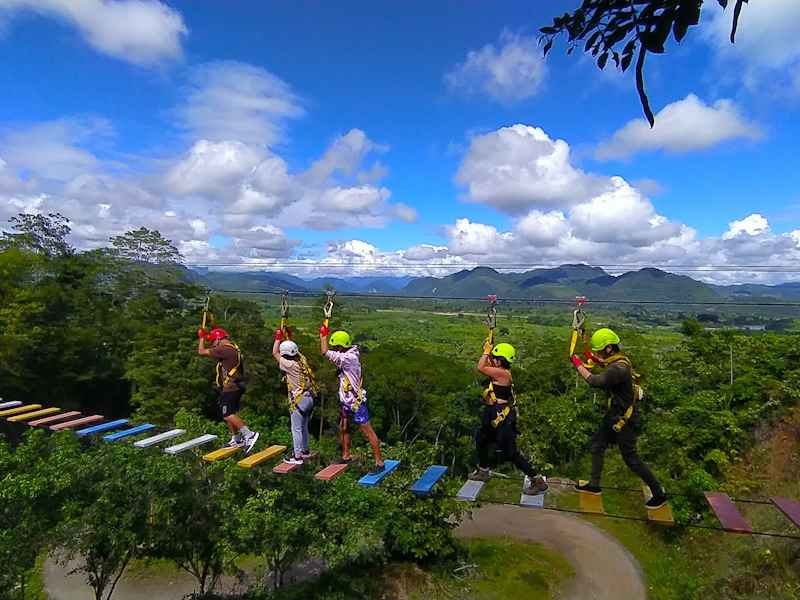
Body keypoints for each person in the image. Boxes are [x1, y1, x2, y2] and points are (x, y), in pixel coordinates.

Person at [571, 328, 667, 509]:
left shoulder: (619, 368)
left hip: (624, 420)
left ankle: (659, 494)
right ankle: (594, 484)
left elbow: (595, 381)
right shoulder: (619, 360)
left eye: (600, 350)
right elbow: (605, 364)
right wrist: (592, 356)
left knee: (631, 459)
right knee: (597, 445)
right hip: (614, 415)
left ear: (608, 349)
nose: (599, 354)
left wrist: (578, 364)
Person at [469, 340, 548, 496]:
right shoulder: (500, 371)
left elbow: (481, 367)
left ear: (501, 361)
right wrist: (489, 348)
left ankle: (537, 480)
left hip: (500, 415)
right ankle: (483, 470)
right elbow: (489, 364)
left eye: (496, 358)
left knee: (510, 452)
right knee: (481, 439)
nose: (494, 360)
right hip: (492, 412)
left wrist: (486, 352)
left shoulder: (502, 374)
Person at [319, 326, 384, 474]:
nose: (334, 349)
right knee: (344, 428)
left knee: (367, 431)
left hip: (356, 403)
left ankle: (379, 463)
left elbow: (324, 352)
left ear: (341, 347)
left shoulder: (349, 358)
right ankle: (346, 455)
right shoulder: (348, 354)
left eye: (336, 347)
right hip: (346, 402)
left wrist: (323, 335)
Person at [197, 326, 259, 452]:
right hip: (235, 386)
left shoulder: (224, 350)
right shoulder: (232, 348)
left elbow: (201, 351)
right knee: (230, 413)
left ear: (219, 339)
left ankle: (249, 435)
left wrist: (202, 338)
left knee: (227, 414)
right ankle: (236, 439)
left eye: (213, 342)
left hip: (232, 387)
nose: (213, 345)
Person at [272, 329, 316, 465]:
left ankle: (297, 456)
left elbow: (275, 353)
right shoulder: (302, 360)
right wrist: (288, 338)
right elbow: (294, 351)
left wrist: (278, 338)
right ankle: (305, 450)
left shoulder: (288, 364)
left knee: (296, 428)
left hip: (299, 400)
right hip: (309, 398)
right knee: (303, 427)